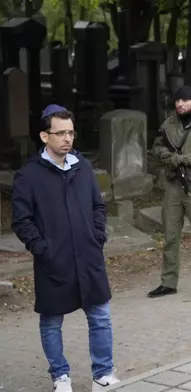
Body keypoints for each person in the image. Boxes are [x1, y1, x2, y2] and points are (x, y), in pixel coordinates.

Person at [11, 104, 120, 392]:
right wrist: (42, 249)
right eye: (60, 133)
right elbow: (22, 221)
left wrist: (97, 237)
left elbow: (98, 205)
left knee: (101, 316)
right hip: (53, 261)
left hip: (88, 255)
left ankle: (103, 374)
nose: (67, 139)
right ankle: (60, 376)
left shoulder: (82, 167)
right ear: (45, 137)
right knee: (51, 321)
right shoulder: (29, 175)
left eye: (70, 133)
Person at [148, 85, 191, 302]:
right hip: (172, 187)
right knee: (170, 237)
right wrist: (167, 157)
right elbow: (156, 148)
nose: (180, 104)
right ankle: (168, 283)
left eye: (185, 100)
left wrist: (184, 160)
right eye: (177, 101)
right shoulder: (168, 124)